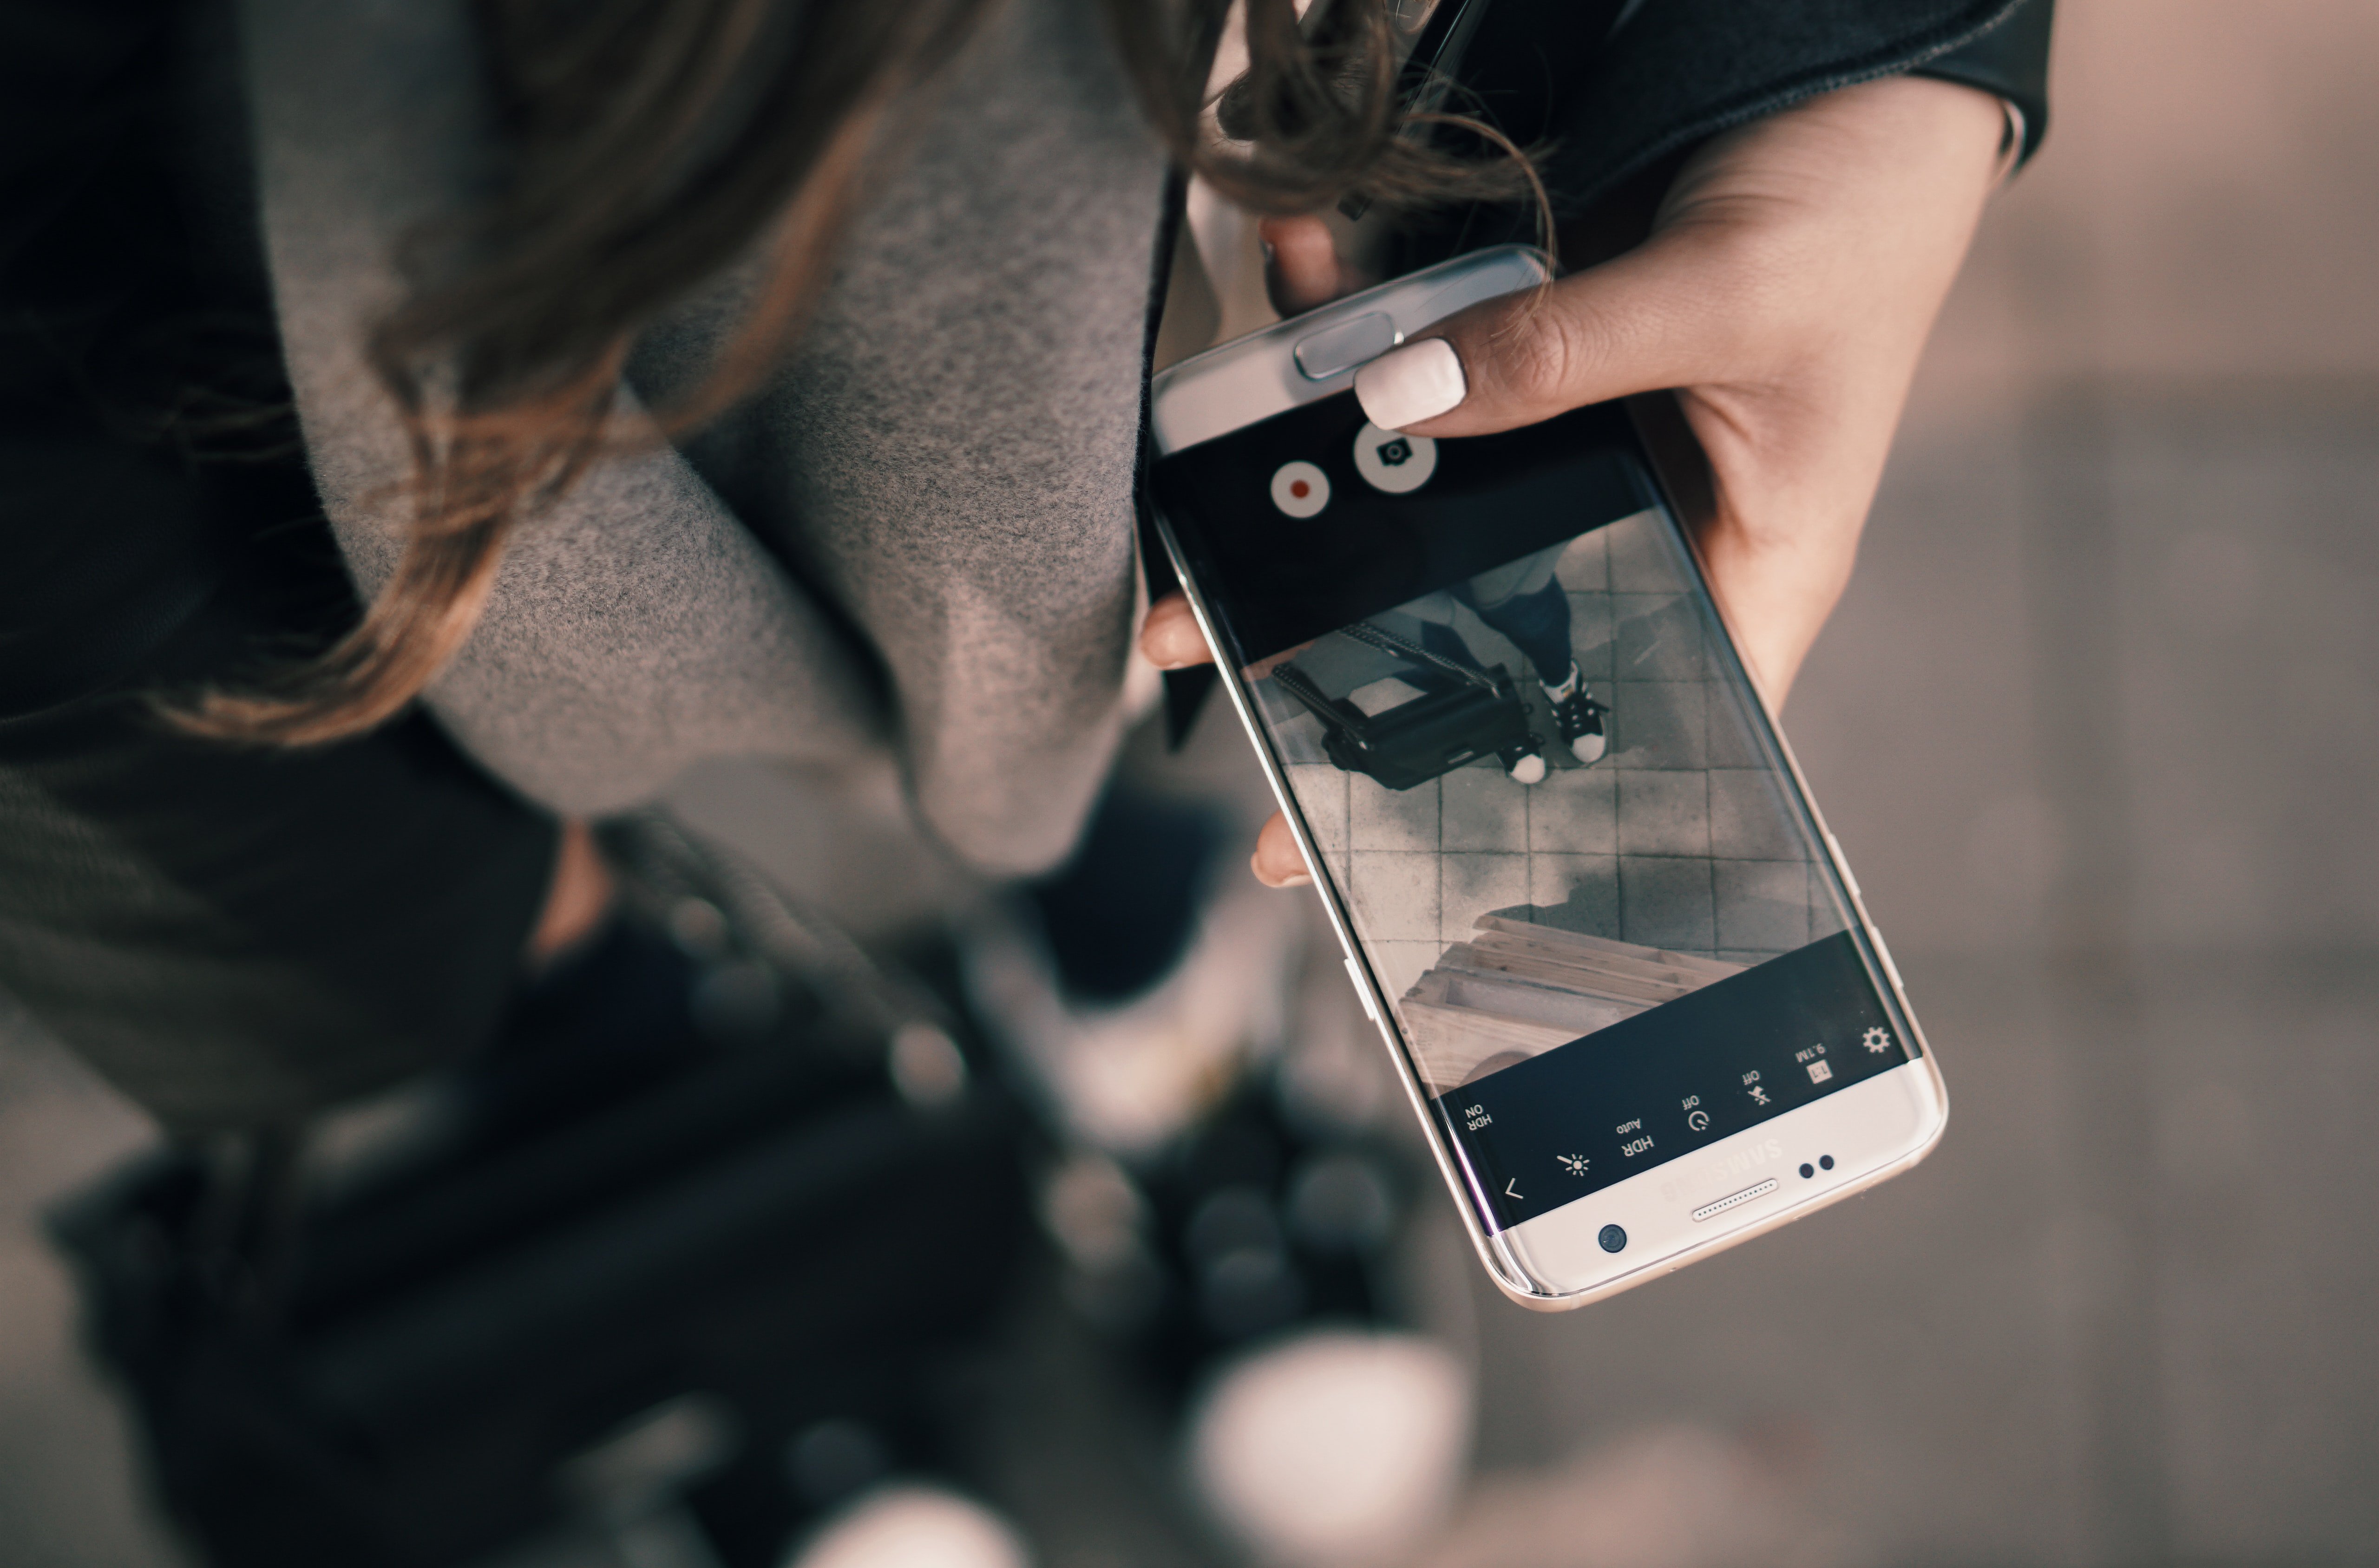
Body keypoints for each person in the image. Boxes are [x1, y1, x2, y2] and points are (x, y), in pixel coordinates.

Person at [0, 0, 2049, 1153]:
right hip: (264, 389)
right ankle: (716, 1100)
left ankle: (1059, 890)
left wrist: (1863, 49)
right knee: (442, 943)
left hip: (1135, 242)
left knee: (1203, 592)